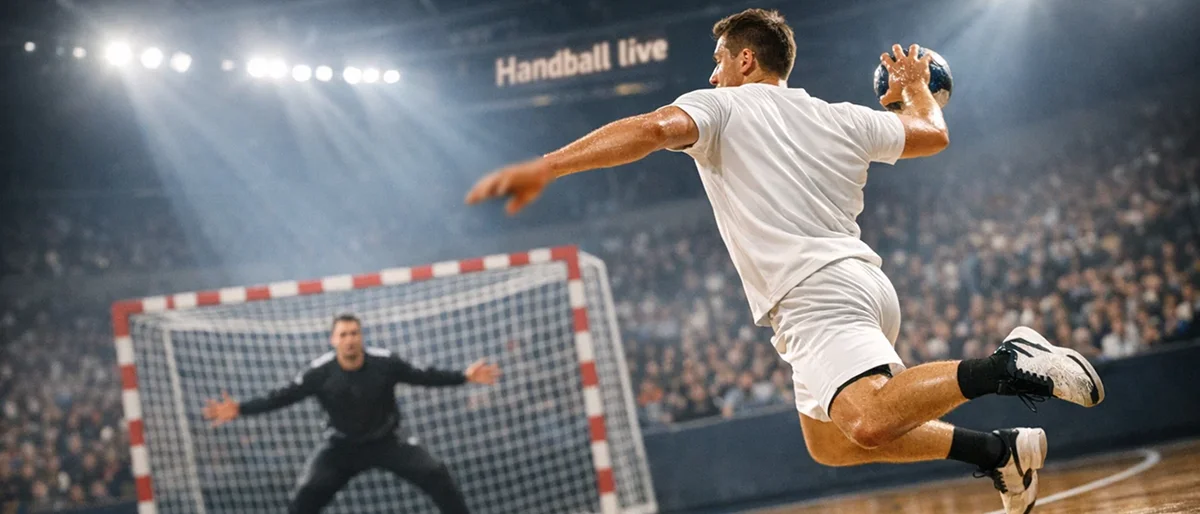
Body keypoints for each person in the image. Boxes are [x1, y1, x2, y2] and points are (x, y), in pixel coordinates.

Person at [464, 8, 1104, 513]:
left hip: (812, 292)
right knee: (831, 443)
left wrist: (545, 165)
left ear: (745, 59)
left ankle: (1007, 365)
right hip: (859, 284)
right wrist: (914, 91)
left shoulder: (720, 105)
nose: (712, 74)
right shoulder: (841, 117)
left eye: (718, 61)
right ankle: (998, 452)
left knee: (870, 420)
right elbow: (934, 134)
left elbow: (653, 129)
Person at [202, 313, 501, 514]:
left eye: (355, 333)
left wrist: (464, 377)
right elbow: (282, 397)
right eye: (343, 334)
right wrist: (240, 408)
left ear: (362, 337)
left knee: (437, 474)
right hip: (341, 447)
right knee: (305, 495)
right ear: (334, 340)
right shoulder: (319, 373)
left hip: (387, 441)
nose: (350, 339)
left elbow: (423, 375)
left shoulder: (384, 363)